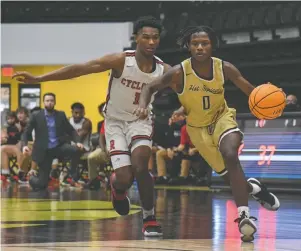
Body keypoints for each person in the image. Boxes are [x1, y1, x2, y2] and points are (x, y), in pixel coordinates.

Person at [12, 16, 169, 236]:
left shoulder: (165, 69)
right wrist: (38, 78)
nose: (151, 42)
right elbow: (80, 68)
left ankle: (149, 217)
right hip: (115, 122)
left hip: (141, 122)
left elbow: (189, 92)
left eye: (155, 38)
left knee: (142, 165)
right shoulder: (121, 61)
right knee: (124, 176)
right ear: (136, 38)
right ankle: (117, 187)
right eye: (146, 37)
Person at [134, 26, 280, 242]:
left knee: (230, 154)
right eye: (195, 44)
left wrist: (277, 100)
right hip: (197, 129)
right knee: (231, 178)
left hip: (222, 118)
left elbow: (252, 92)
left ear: (212, 45)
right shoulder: (178, 72)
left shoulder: (225, 68)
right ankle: (254, 188)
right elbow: (149, 87)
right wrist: (143, 105)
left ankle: (243, 217)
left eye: (205, 43)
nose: (200, 47)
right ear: (189, 46)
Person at [20, 93, 84, 190]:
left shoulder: (60, 115)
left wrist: (78, 141)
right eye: (47, 101)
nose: (49, 103)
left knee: (76, 150)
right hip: (44, 151)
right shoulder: (36, 115)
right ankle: (32, 179)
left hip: (59, 147)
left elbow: (71, 130)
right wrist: (24, 145)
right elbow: (26, 132)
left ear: (55, 102)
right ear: (43, 102)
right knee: (41, 184)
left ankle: (72, 175)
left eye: (51, 101)